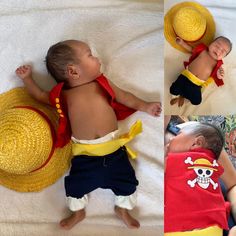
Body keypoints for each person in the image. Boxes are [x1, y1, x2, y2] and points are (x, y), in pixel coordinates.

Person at [15, 39, 162, 230]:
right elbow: (41, 96)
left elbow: (125, 97)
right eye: (90, 55)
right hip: (85, 157)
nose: (98, 58)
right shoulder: (63, 96)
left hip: (115, 153)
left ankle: (123, 209)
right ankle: (78, 212)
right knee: (74, 186)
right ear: (73, 71)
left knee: (128, 182)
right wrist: (27, 79)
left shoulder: (101, 84)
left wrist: (146, 106)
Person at [165, 122, 229, 236]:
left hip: (181, 228)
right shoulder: (215, 166)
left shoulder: (181, 159)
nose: (171, 140)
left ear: (197, 142)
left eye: (177, 135)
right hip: (215, 228)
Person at [169, 36, 232, 107]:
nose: (219, 50)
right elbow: (191, 49)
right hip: (185, 76)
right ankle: (180, 95)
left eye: (223, 51)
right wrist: (182, 43)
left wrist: (219, 75)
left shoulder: (218, 65)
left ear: (224, 57)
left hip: (196, 85)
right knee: (173, 90)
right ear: (210, 43)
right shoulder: (202, 50)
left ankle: (183, 97)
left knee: (197, 101)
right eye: (217, 45)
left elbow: (216, 75)